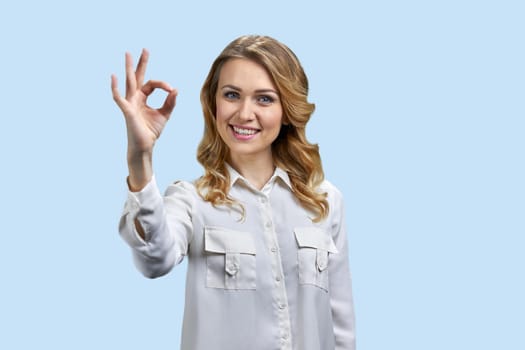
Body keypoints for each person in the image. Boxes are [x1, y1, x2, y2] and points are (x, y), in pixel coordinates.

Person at [111, 35, 356, 350]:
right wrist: (139, 158)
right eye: (232, 95)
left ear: (287, 109)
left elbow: (341, 327)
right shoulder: (191, 200)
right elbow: (154, 260)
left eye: (264, 99)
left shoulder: (325, 201)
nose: (244, 113)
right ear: (214, 103)